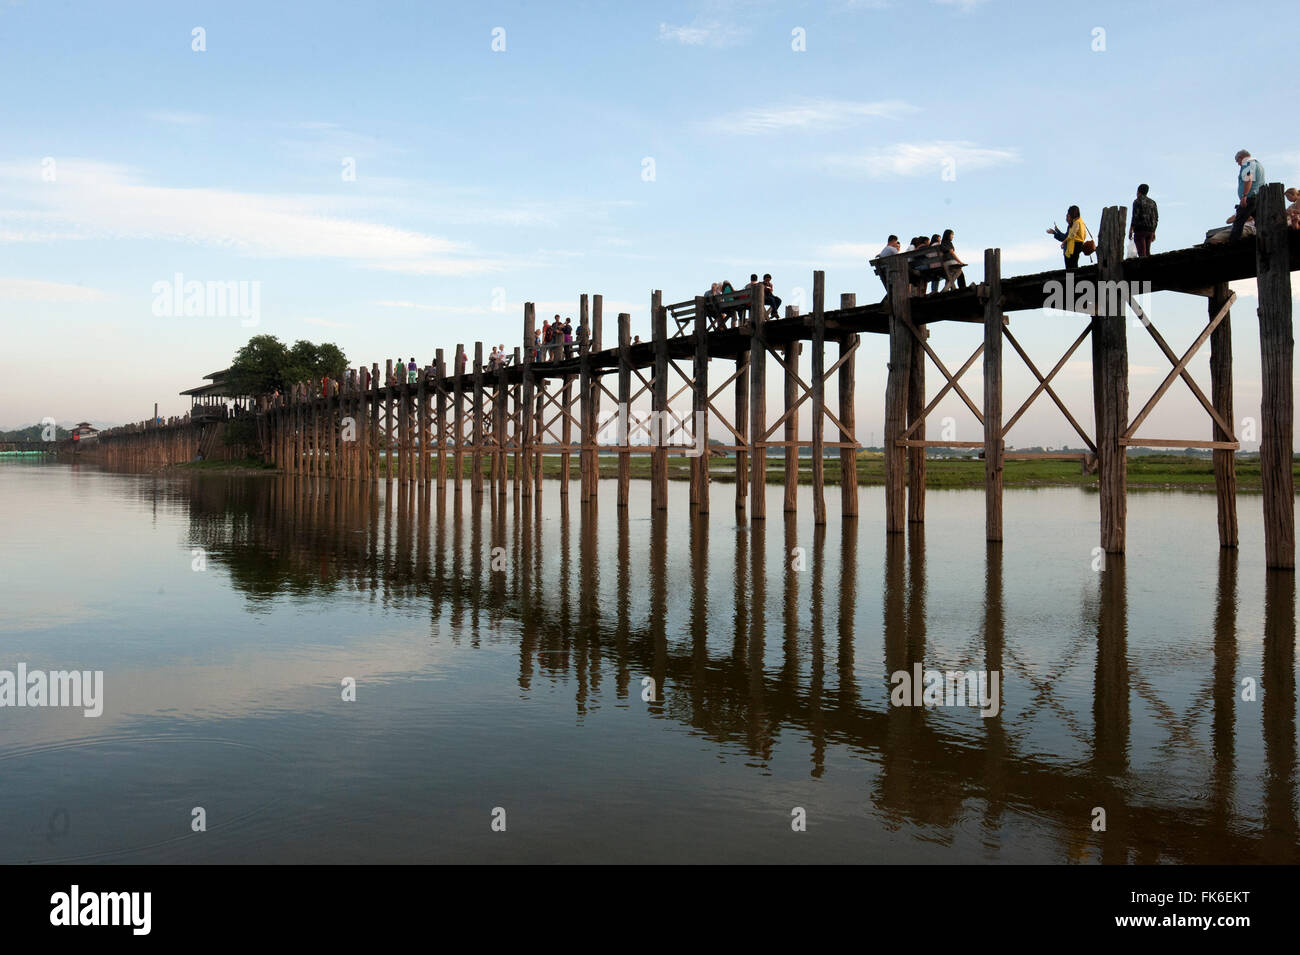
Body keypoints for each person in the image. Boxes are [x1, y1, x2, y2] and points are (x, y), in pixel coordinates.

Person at [1230, 150, 1266, 242]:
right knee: (1260, 221)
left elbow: (1248, 179)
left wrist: (1244, 196)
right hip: (1258, 197)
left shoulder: (1247, 163)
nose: (1238, 164)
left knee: (1239, 221)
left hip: (1250, 197)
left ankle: (1233, 244)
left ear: (1241, 158)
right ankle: (1263, 240)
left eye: (1237, 161)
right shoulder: (1258, 164)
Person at [1047, 205, 1088, 270]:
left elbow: (1070, 236)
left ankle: (1072, 279)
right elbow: (1084, 235)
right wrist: (1056, 232)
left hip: (1073, 247)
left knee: (1071, 266)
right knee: (1072, 265)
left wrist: (1063, 240)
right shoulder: (1080, 222)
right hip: (1074, 246)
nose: (1066, 218)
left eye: (1068, 216)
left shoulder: (1076, 223)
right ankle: (1072, 279)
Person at [1130, 184, 1158, 257]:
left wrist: (1131, 230)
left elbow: (1135, 217)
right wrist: (1153, 232)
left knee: (1142, 253)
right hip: (1150, 230)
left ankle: (1144, 267)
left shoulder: (1137, 201)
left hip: (1140, 231)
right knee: (1147, 252)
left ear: (1138, 191)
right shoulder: (1152, 202)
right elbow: (1156, 218)